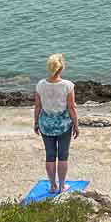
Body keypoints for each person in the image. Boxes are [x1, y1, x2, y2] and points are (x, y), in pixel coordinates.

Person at [33, 54, 80, 194]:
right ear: (61, 68)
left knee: (50, 155)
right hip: (63, 125)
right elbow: (71, 108)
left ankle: (53, 186)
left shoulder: (40, 85)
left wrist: (36, 122)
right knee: (63, 155)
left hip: (46, 124)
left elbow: (38, 106)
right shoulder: (68, 85)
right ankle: (62, 186)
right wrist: (76, 125)